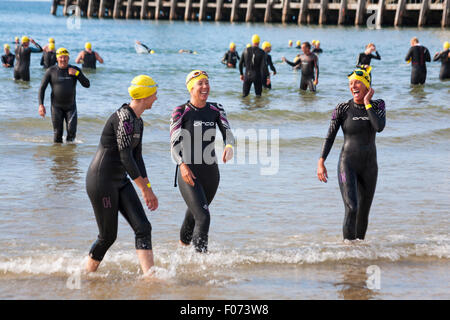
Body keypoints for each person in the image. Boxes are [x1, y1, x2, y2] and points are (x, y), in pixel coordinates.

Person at [85, 75, 159, 275]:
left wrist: (149, 188)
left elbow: (137, 158)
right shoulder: (124, 117)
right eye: (154, 92)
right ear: (144, 95)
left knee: (143, 227)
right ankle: (86, 274)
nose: (156, 97)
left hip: (120, 180)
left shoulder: (138, 121)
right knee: (108, 236)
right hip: (102, 181)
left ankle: (149, 277)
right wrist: (143, 190)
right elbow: (125, 157)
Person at [317, 67, 386, 241]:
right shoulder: (342, 108)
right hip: (347, 164)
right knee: (352, 207)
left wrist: (367, 102)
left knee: (363, 212)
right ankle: (348, 249)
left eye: (357, 82)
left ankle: (358, 252)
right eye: (350, 83)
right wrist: (321, 161)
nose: (352, 86)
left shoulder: (378, 104)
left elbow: (379, 127)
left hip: (369, 166)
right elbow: (330, 135)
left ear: (366, 85)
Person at [170, 70, 235, 253]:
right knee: (203, 217)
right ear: (191, 88)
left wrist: (229, 147)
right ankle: (201, 262)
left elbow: (228, 135)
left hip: (211, 175)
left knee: (194, 216)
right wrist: (182, 165)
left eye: (207, 82)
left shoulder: (216, 109)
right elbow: (174, 143)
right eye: (200, 83)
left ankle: (181, 251)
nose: (205, 87)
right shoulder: (181, 111)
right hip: (188, 173)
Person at [38, 48, 90, 143]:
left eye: (65, 57)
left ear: (68, 58)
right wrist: (41, 105)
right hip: (56, 107)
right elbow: (42, 88)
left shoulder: (75, 69)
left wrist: (77, 74)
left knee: (72, 133)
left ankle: (69, 155)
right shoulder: (51, 71)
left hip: (71, 107)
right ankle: (58, 156)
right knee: (57, 134)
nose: (63, 59)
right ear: (57, 58)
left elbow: (87, 84)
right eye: (61, 57)